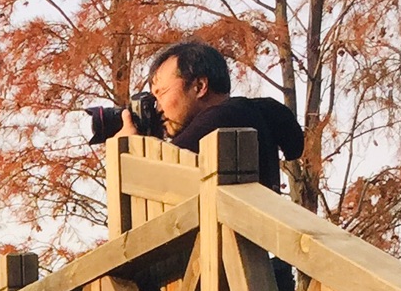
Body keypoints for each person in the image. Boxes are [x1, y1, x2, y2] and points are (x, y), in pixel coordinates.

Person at [125, 41, 304, 194]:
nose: (157, 109)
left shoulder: (221, 117)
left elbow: (159, 177)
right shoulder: (255, 112)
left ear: (200, 86)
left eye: (161, 93)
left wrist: (128, 148)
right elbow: (294, 147)